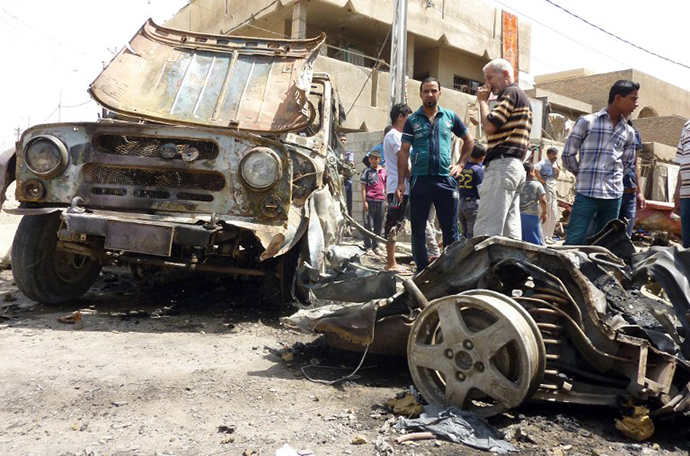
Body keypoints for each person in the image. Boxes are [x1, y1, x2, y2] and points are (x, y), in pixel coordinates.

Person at [396, 77, 475, 271]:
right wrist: (400, 183)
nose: (430, 94)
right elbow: (403, 152)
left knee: (450, 230)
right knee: (418, 229)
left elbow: (469, 140)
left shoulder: (450, 117)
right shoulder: (412, 121)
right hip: (420, 181)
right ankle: (422, 270)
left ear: (440, 93)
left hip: (445, 181)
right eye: (426, 91)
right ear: (420, 94)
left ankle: (450, 271)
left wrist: (461, 164)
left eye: (433, 91)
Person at [562, 80, 640, 245]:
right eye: (633, 99)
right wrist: (581, 173)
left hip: (613, 197)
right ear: (618, 98)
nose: (636, 104)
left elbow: (627, 164)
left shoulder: (629, 132)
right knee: (574, 240)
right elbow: (568, 153)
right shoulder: (587, 122)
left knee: (603, 244)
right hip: (586, 194)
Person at [474, 58, 533, 239]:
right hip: (514, 167)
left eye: (490, 77)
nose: (487, 84)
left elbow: (490, 126)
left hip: (502, 166)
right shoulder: (520, 96)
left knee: (487, 228)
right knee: (510, 230)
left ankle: (484, 266)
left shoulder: (510, 93)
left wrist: (483, 102)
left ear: (505, 74)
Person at [383, 103, 413, 271]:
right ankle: (390, 263)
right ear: (400, 117)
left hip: (401, 186)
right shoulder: (395, 135)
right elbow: (403, 160)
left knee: (398, 222)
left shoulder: (398, 136)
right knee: (392, 222)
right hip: (398, 187)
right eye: (408, 117)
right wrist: (411, 179)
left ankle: (392, 261)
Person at [618, 121, 646, 237]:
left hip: (630, 193)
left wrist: (640, 192)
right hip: (611, 193)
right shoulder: (608, 129)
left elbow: (634, 165)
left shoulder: (634, 132)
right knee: (607, 235)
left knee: (626, 237)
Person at [359, 149, 386, 254]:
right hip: (370, 201)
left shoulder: (384, 172)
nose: (373, 161)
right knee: (368, 225)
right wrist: (364, 201)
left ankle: (376, 246)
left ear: (379, 159)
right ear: (369, 160)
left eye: (376, 158)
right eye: (371, 159)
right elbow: (363, 187)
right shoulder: (366, 171)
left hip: (381, 201)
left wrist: (387, 200)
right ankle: (368, 246)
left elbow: (386, 186)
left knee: (379, 225)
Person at [457, 143, 486, 239]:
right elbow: (481, 190)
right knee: (472, 236)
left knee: (463, 235)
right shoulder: (479, 170)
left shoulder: (462, 168)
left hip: (461, 203)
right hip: (473, 205)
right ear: (482, 158)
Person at [535, 147, 561, 241]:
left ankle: (549, 236)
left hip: (553, 189)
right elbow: (535, 169)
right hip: (546, 190)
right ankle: (543, 236)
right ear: (549, 154)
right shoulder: (543, 163)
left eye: (556, 154)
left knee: (553, 213)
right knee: (545, 212)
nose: (555, 156)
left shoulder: (555, 164)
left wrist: (558, 171)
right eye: (553, 154)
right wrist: (541, 180)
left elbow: (556, 178)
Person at [520, 162, 547, 245]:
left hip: (518, 215)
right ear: (532, 172)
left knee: (522, 238)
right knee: (535, 239)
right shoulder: (537, 185)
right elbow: (542, 200)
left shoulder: (519, 184)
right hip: (531, 215)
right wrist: (545, 212)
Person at [674, 119, 690, 248]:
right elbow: (682, 161)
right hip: (686, 195)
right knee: (687, 246)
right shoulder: (687, 125)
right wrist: (677, 192)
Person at [339, 134, 355, 217]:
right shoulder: (335, 151)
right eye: (341, 140)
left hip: (347, 179)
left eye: (344, 140)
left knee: (349, 200)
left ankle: (349, 220)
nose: (343, 141)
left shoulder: (349, 153)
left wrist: (351, 164)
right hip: (337, 179)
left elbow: (351, 163)